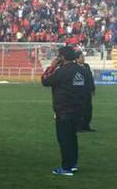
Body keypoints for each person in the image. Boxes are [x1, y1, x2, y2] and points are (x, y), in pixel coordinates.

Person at [41, 46, 88, 176]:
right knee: (72, 138)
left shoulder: (62, 71)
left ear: (62, 57)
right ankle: (72, 164)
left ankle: (66, 168)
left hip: (64, 110)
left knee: (64, 139)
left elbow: (45, 81)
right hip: (78, 110)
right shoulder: (82, 70)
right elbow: (88, 88)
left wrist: (51, 66)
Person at [77, 52, 96, 131]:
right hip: (79, 92)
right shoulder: (75, 67)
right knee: (80, 109)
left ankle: (86, 125)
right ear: (76, 58)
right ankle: (79, 126)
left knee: (88, 109)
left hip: (87, 92)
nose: (83, 58)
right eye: (82, 57)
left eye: (83, 57)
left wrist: (93, 89)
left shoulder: (86, 66)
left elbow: (91, 78)